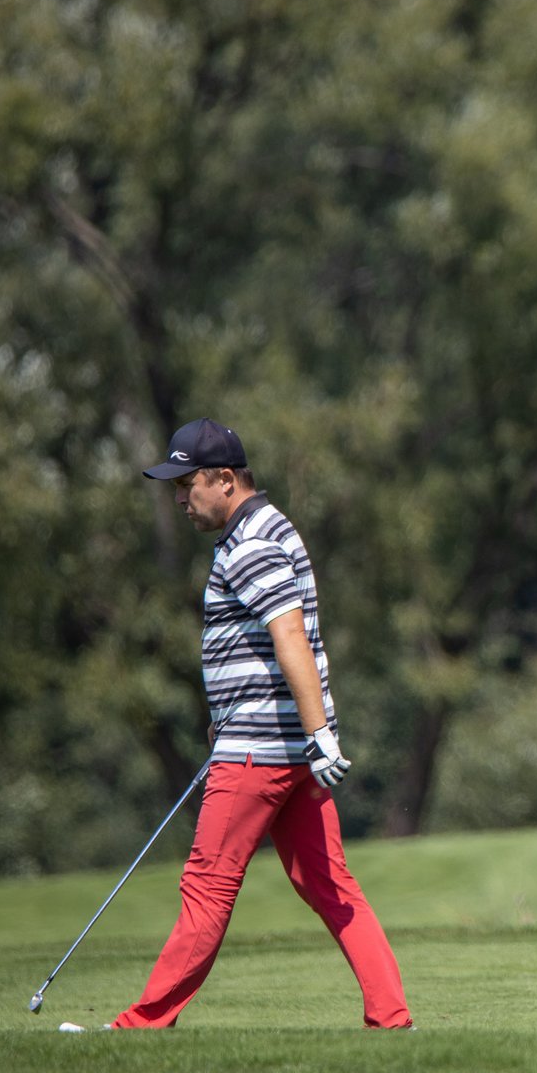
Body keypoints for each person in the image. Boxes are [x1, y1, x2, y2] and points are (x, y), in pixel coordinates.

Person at [99, 417, 413, 1030]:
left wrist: (320, 732)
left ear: (224, 479)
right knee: (330, 885)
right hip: (285, 751)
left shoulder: (250, 544)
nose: (180, 499)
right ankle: (392, 1017)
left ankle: (142, 1026)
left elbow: (289, 635)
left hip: (258, 755)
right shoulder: (269, 528)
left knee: (207, 886)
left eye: (186, 484)